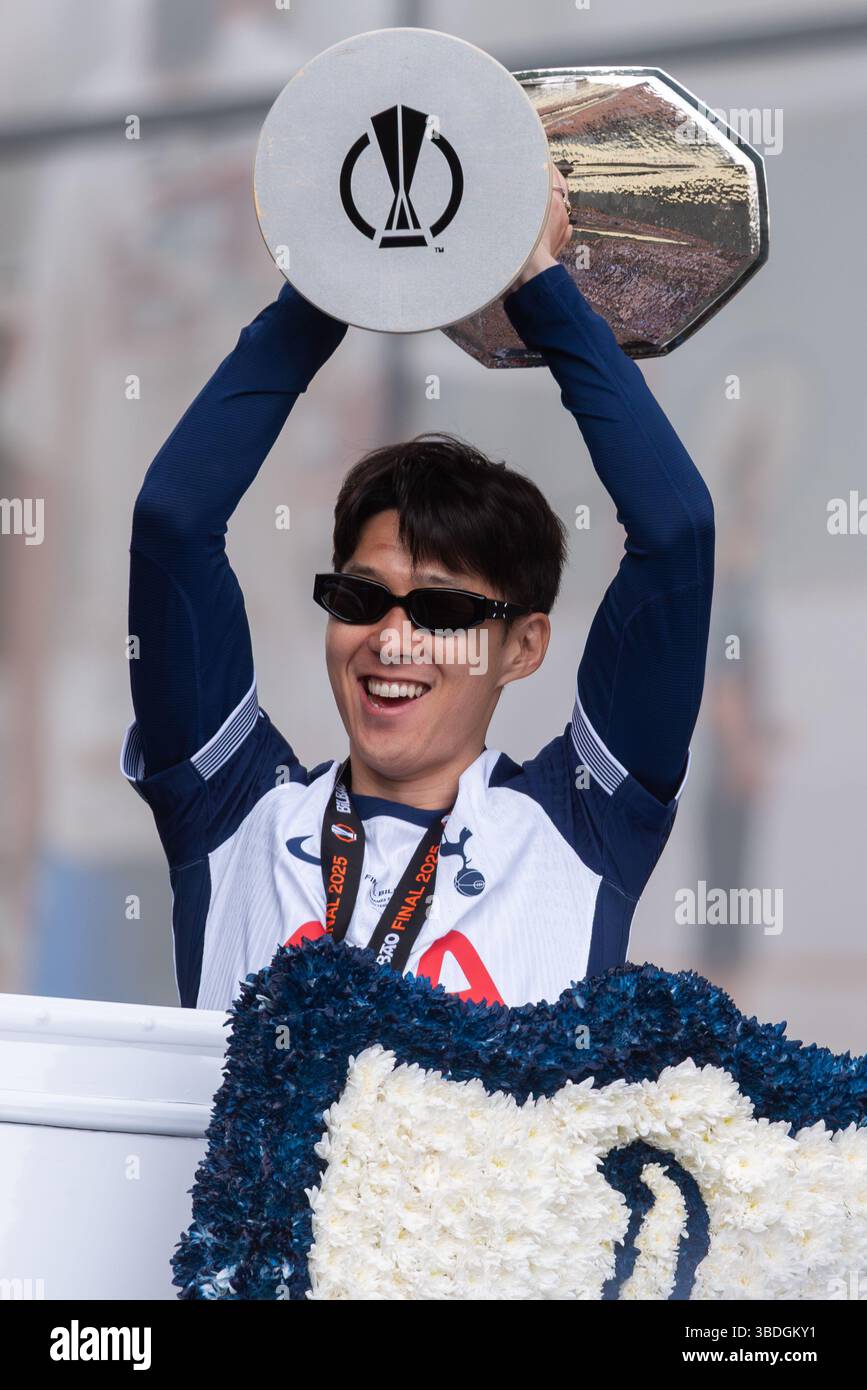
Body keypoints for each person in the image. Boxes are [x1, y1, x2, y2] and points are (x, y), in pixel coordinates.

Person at [122, 165, 715, 1011]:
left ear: (523, 646)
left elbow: (676, 532)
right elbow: (173, 520)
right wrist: (330, 287)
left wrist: (537, 284)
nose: (390, 639)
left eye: (441, 610)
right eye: (361, 598)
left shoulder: (582, 825)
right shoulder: (233, 809)